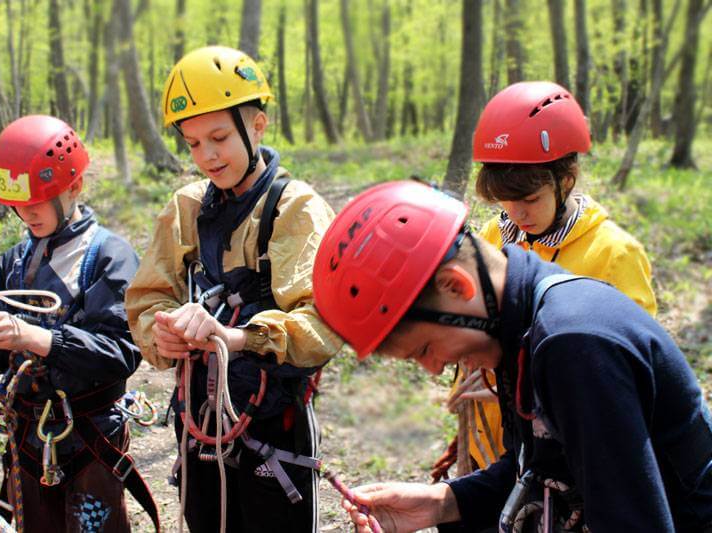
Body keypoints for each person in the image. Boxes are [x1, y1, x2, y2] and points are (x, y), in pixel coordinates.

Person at [311, 180, 712, 532]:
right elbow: (545, 464)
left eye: (424, 350)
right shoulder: (522, 326)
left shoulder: (571, 344)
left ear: (456, 287)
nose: (434, 368)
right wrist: (441, 503)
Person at [125, 45, 342, 533]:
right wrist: (161, 334)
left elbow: (323, 322)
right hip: (198, 423)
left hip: (273, 428)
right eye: (193, 143)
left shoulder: (295, 208)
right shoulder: (184, 208)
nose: (207, 156)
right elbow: (147, 298)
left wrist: (240, 337)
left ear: (258, 126)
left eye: (219, 137)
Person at [0, 115, 154, 533]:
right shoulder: (15, 262)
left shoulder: (109, 257)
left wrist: (38, 337)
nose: (25, 212)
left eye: (37, 201)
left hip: (91, 439)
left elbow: (121, 354)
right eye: (19, 203)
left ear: (74, 188)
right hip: (27, 441)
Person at [434, 81, 658, 479]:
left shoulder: (613, 254)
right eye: (505, 199)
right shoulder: (492, 242)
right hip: (494, 454)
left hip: (571, 464)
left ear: (566, 178)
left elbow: (633, 376)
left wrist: (518, 391)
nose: (517, 213)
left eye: (530, 199)